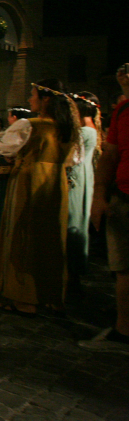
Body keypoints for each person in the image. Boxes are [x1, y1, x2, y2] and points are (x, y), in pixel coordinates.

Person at [0, 78, 79, 316]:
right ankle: (50, 295)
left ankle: (24, 297)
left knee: (24, 235)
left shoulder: (30, 125)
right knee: (50, 238)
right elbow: (74, 160)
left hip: (30, 181)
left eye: (33, 95)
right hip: (55, 185)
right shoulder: (67, 127)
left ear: (45, 99)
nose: (29, 99)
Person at [82, 67, 129, 353]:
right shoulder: (124, 110)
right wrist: (100, 196)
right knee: (122, 268)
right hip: (124, 195)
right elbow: (111, 154)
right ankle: (123, 328)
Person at [67, 92, 101, 295]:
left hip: (76, 179)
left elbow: (73, 157)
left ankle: (71, 275)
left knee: (73, 221)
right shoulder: (91, 129)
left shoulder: (83, 131)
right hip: (83, 177)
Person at [0, 108, 31, 233]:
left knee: (4, 198)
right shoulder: (14, 130)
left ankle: (3, 226)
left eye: (9, 116)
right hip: (4, 165)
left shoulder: (19, 129)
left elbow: (11, 148)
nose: (8, 119)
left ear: (14, 118)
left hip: (8, 169)